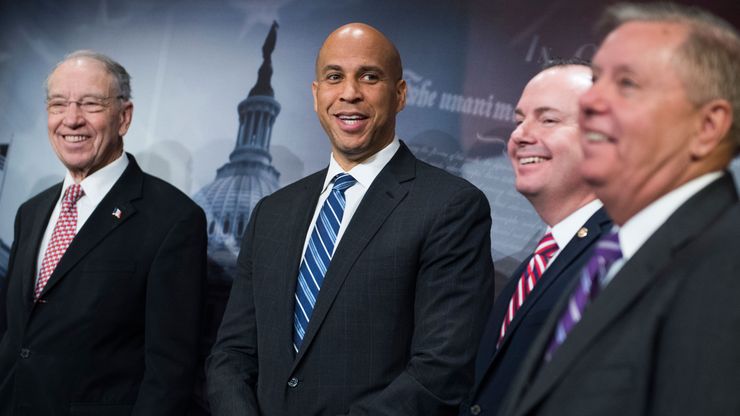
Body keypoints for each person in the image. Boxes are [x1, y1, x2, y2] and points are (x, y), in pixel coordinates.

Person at [206, 23, 494, 416]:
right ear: (315, 94)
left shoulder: (450, 207)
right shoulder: (272, 212)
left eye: (369, 77)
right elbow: (232, 354)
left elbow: (439, 371)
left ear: (400, 94)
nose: (349, 93)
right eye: (334, 77)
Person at [499, 3, 740, 416]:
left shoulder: (726, 266)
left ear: (708, 126)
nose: (592, 102)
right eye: (597, 82)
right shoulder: (617, 252)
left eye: (626, 84)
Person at [0, 50, 207, 415]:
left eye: (91, 104)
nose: (71, 119)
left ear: (124, 117)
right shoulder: (29, 213)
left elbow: (169, 373)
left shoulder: (173, 219)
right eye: (58, 103)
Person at [462, 60, 611, 416]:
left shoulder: (623, 256)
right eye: (519, 120)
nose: (519, 135)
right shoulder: (540, 259)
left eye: (548, 119)